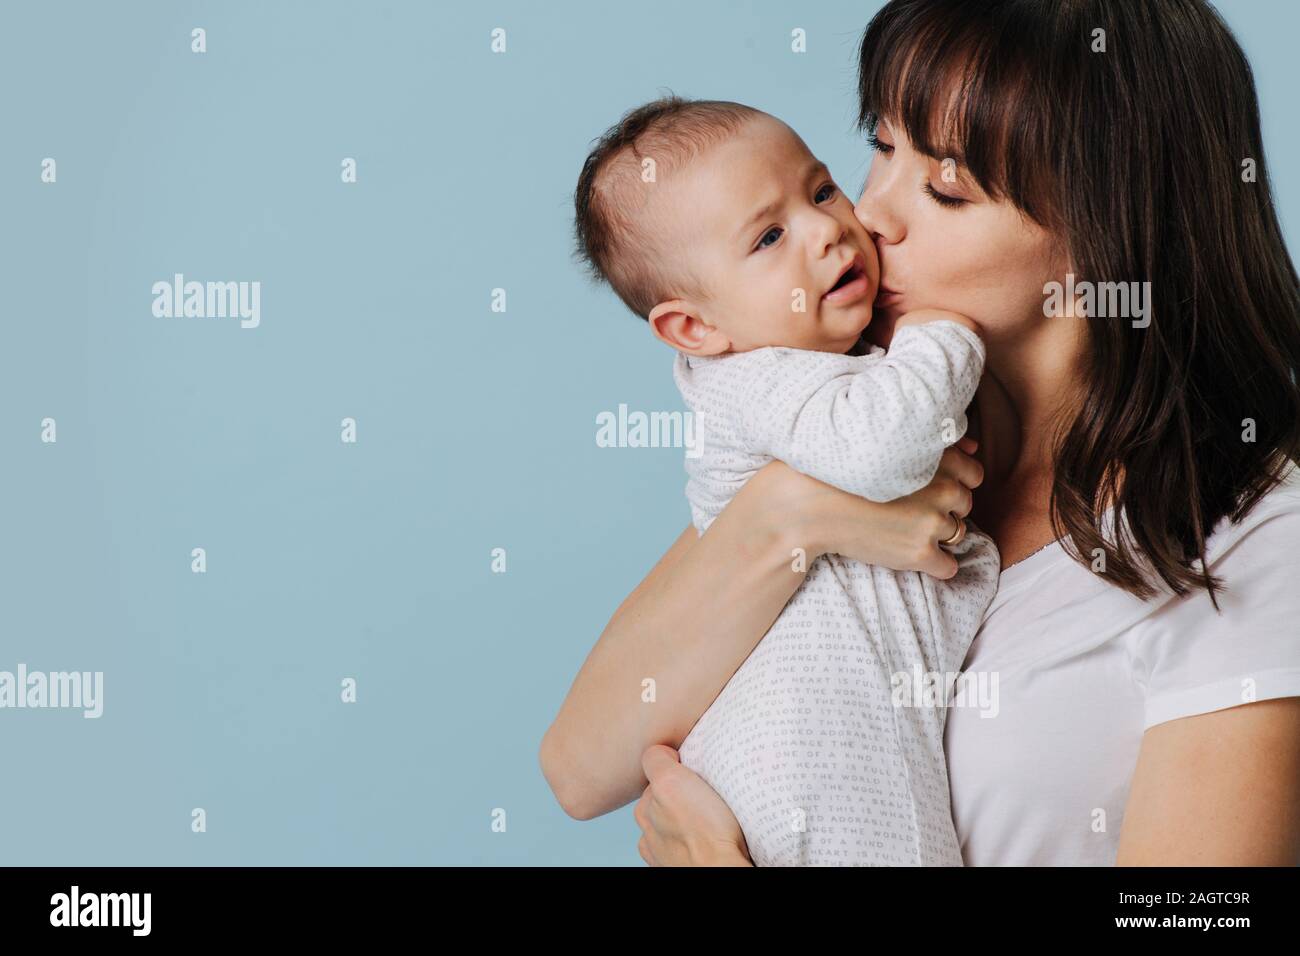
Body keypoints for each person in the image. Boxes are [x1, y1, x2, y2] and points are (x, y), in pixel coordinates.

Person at [541, 0, 1300, 865]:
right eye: (882, 145)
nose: (867, 217)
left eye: (945, 189)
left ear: (1104, 236)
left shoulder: (1249, 545)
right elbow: (580, 768)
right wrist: (788, 515)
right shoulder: (852, 438)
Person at [566, 94, 1001, 864]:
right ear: (697, 330)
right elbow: (880, 447)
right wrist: (945, 332)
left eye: (823, 189)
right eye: (768, 236)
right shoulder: (755, 379)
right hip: (799, 775)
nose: (831, 227)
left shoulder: (815, 367)